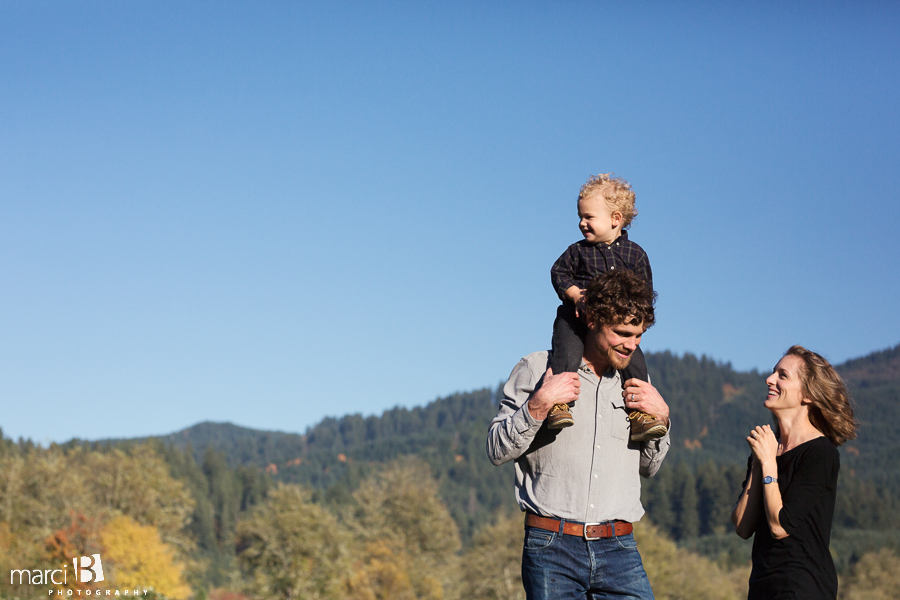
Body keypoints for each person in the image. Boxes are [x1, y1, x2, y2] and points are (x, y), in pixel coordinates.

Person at [487, 269, 671, 600]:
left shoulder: (636, 384)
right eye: (621, 333)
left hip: (620, 549)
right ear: (592, 320)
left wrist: (662, 419)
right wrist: (538, 405)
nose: (631, 345)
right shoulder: (538, 368)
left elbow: (650, 467)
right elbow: (496, 449)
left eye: (639, 335)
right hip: (551, 548)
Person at [731, 346, 858, 600]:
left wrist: (768, 464)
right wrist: (758, 463)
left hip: (802, 588)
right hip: (761, 588)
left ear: (808, 395)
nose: (770, 379)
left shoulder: (821, 453)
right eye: (772, 373)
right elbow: (743, 526)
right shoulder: (767, 448)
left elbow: (780, 526)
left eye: (782, 375)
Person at [547, 173, 665, 441]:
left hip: (617, 326)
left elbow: (645, 292)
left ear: (615, 219)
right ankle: (558, 404)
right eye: (580, 216)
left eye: (589, 217)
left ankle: (640, 414)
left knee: (635, 363)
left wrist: (638, 324)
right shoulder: (578, 252)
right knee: (567, 350)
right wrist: (576, 295)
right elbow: (558, 273)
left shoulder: (635, 254)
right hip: (577, 319)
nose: (582, 223)